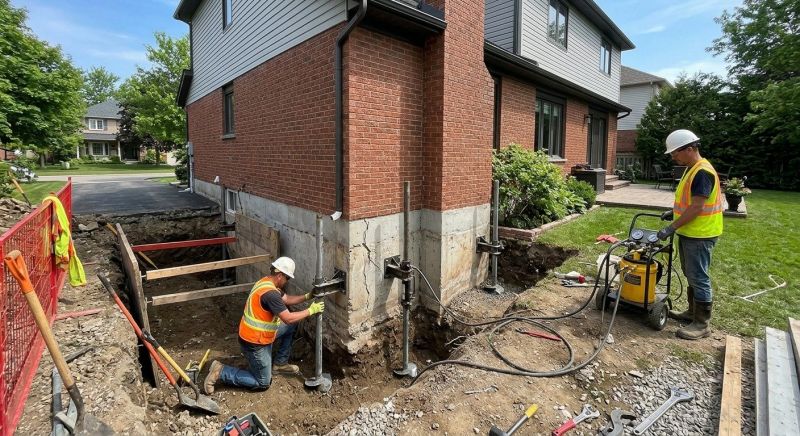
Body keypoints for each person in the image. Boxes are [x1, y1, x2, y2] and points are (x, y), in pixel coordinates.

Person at [203, 256, 325, 393]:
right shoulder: (270, 294)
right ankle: (221, 371)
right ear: (280, 275)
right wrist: (311, 310)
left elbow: (286, 299)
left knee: (291, 328)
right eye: (287, 278)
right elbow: (288, 318)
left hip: (257, 334)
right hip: (255, 342)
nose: (287, 281)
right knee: (263, 382)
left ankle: (280, 364)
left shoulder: (265, 282)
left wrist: (307, 296)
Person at [657, 129, 723, 340]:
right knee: (690, 273)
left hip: (700, 234)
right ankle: (692, 313)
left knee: (699, 277)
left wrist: (671, 227)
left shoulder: (702, 172)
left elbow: (697, 207)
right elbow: (689, 202)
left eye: (675, 152)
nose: (673, 157)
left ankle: (702, 324)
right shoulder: (692, 169)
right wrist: (674, 212)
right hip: (691, 232)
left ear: (690, 149)